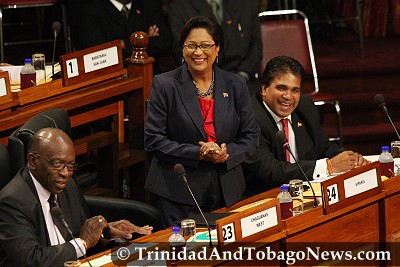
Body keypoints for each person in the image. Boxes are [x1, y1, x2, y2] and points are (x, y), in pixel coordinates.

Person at [144, 16, 260, 227]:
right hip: (178, 190)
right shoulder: (164, 84)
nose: (198, 52)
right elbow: (153, 140)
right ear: (182, 49)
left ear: (217, 49)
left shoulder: (236, 84)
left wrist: (227, 153)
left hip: (227, 189)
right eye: (191, 46)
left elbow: (251, 136)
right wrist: (196, 153)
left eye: (205, 45)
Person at [0, 128, 153, 266]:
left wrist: (105, 232)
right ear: (33, 161)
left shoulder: (68, 186)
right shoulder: (12, 201)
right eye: (57, 164)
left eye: (70, 165)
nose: (65, 173)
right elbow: (30, 260)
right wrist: (84, 242)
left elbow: (79, 236)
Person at [243, 56, 370, 194]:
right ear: (264, 89)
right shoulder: (249, 118)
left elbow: (323, 147)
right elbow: (271, 171)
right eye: (281, 88)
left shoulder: (305, 107)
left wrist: (350, 159)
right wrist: (328, 167)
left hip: (306, 193)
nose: (288, 96)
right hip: (263, 197)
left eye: (295, 90)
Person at [167, 0, 262, 94]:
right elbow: (181, 52)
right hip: (199, 83)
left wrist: (242, 75)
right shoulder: (179, 7)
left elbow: (256, 47)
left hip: (243, 79)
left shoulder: (246, 4)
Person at [78, 0, 171, 74]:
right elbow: (98, 57)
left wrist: (122, 45)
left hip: (150, 77)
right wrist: (145, 41)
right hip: (115, 82)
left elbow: (164, 43)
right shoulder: (92, 11)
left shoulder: (148, 4)